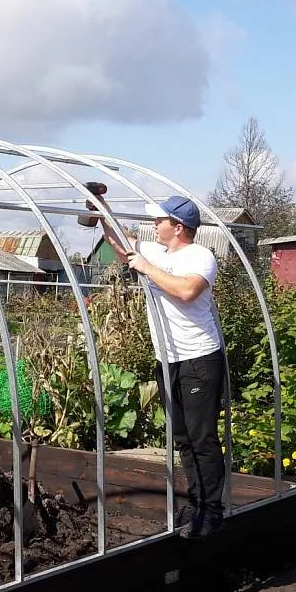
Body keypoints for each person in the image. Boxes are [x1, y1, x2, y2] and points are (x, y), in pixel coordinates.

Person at [88, 193, 225, 540]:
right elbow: (122, 246)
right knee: (182, 438)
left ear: (178, 227)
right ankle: (195, 505)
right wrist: (103, 210)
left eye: (160, 220)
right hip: (169, 360)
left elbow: (187, 291)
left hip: (199, 359)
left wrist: (147, 268)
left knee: (202, 439)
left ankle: (212, 512)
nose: (154, 225)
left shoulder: (200, 256)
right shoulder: (157, 252)